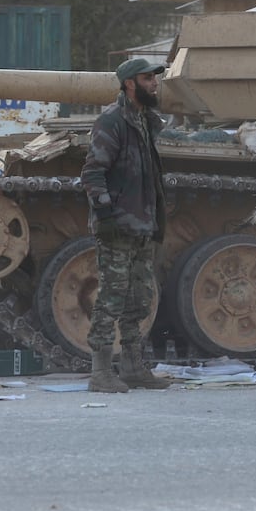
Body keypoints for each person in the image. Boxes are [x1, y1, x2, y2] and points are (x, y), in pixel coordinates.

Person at [79, 56, 171, 393]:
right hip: (118, 226)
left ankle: (133, 367)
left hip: (142, 225)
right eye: (148, 79)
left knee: (140, 298)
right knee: (111, 298)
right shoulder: (113, 121)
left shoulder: (144, 120)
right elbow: (93, 171)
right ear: (130, 83)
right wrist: (105, 212)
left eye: (154, 78)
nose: (154, 84)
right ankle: (100, 371)